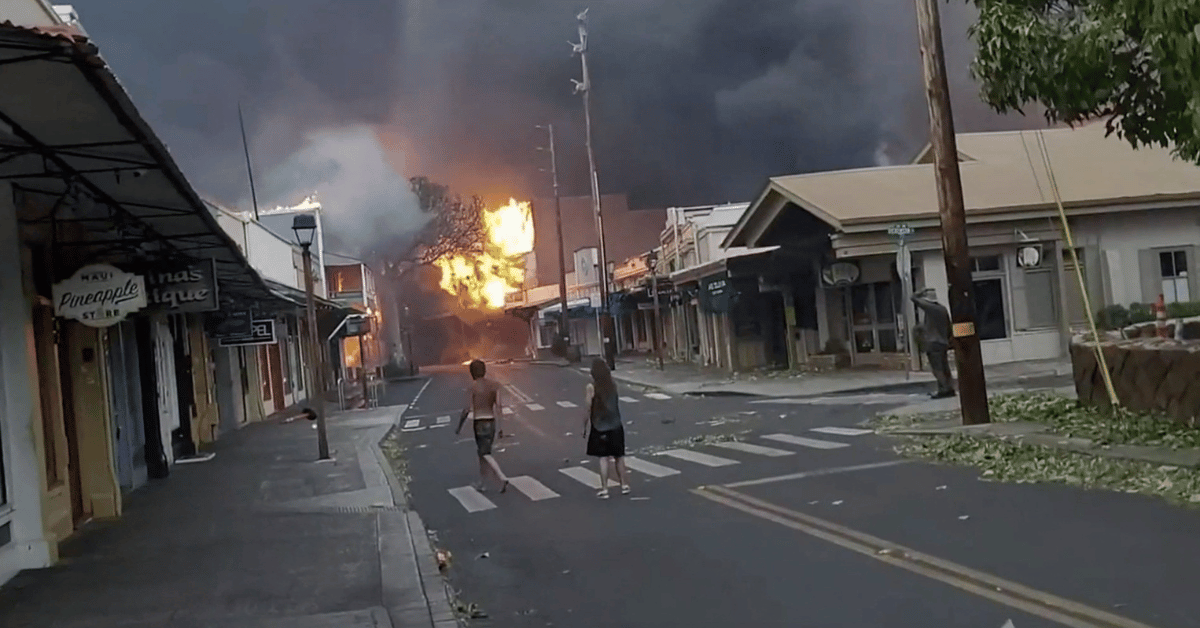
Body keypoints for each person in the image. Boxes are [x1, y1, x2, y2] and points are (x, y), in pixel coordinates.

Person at [455, 360, 509, 493]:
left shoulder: (472, 387)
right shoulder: (495, 385)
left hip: (479, 422)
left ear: (472, 372)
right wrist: (501, 427)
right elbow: (499, 406)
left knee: (484, 453)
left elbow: (466, 409)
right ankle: (483, 483)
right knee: (483, 453)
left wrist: (459, 426)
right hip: (491, 421)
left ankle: (501, 476)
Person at [583, 358, 630, 499]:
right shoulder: (613, 385)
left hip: (599, 427)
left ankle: (605, 489)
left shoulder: (591, 387)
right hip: (616, 425)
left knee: (603, 459)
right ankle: (624, 485)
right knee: (619, 457)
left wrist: (585, 426)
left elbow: (588, 408)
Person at [911, 288, 956, 399]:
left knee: (937, 368)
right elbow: (949, 326)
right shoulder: (942, 309)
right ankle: (949, 388)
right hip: (943, 342)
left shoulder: (931, 308)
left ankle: (943, 389)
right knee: (945, 367)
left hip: (933, 342)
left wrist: (920, 292)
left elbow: (913, 298)